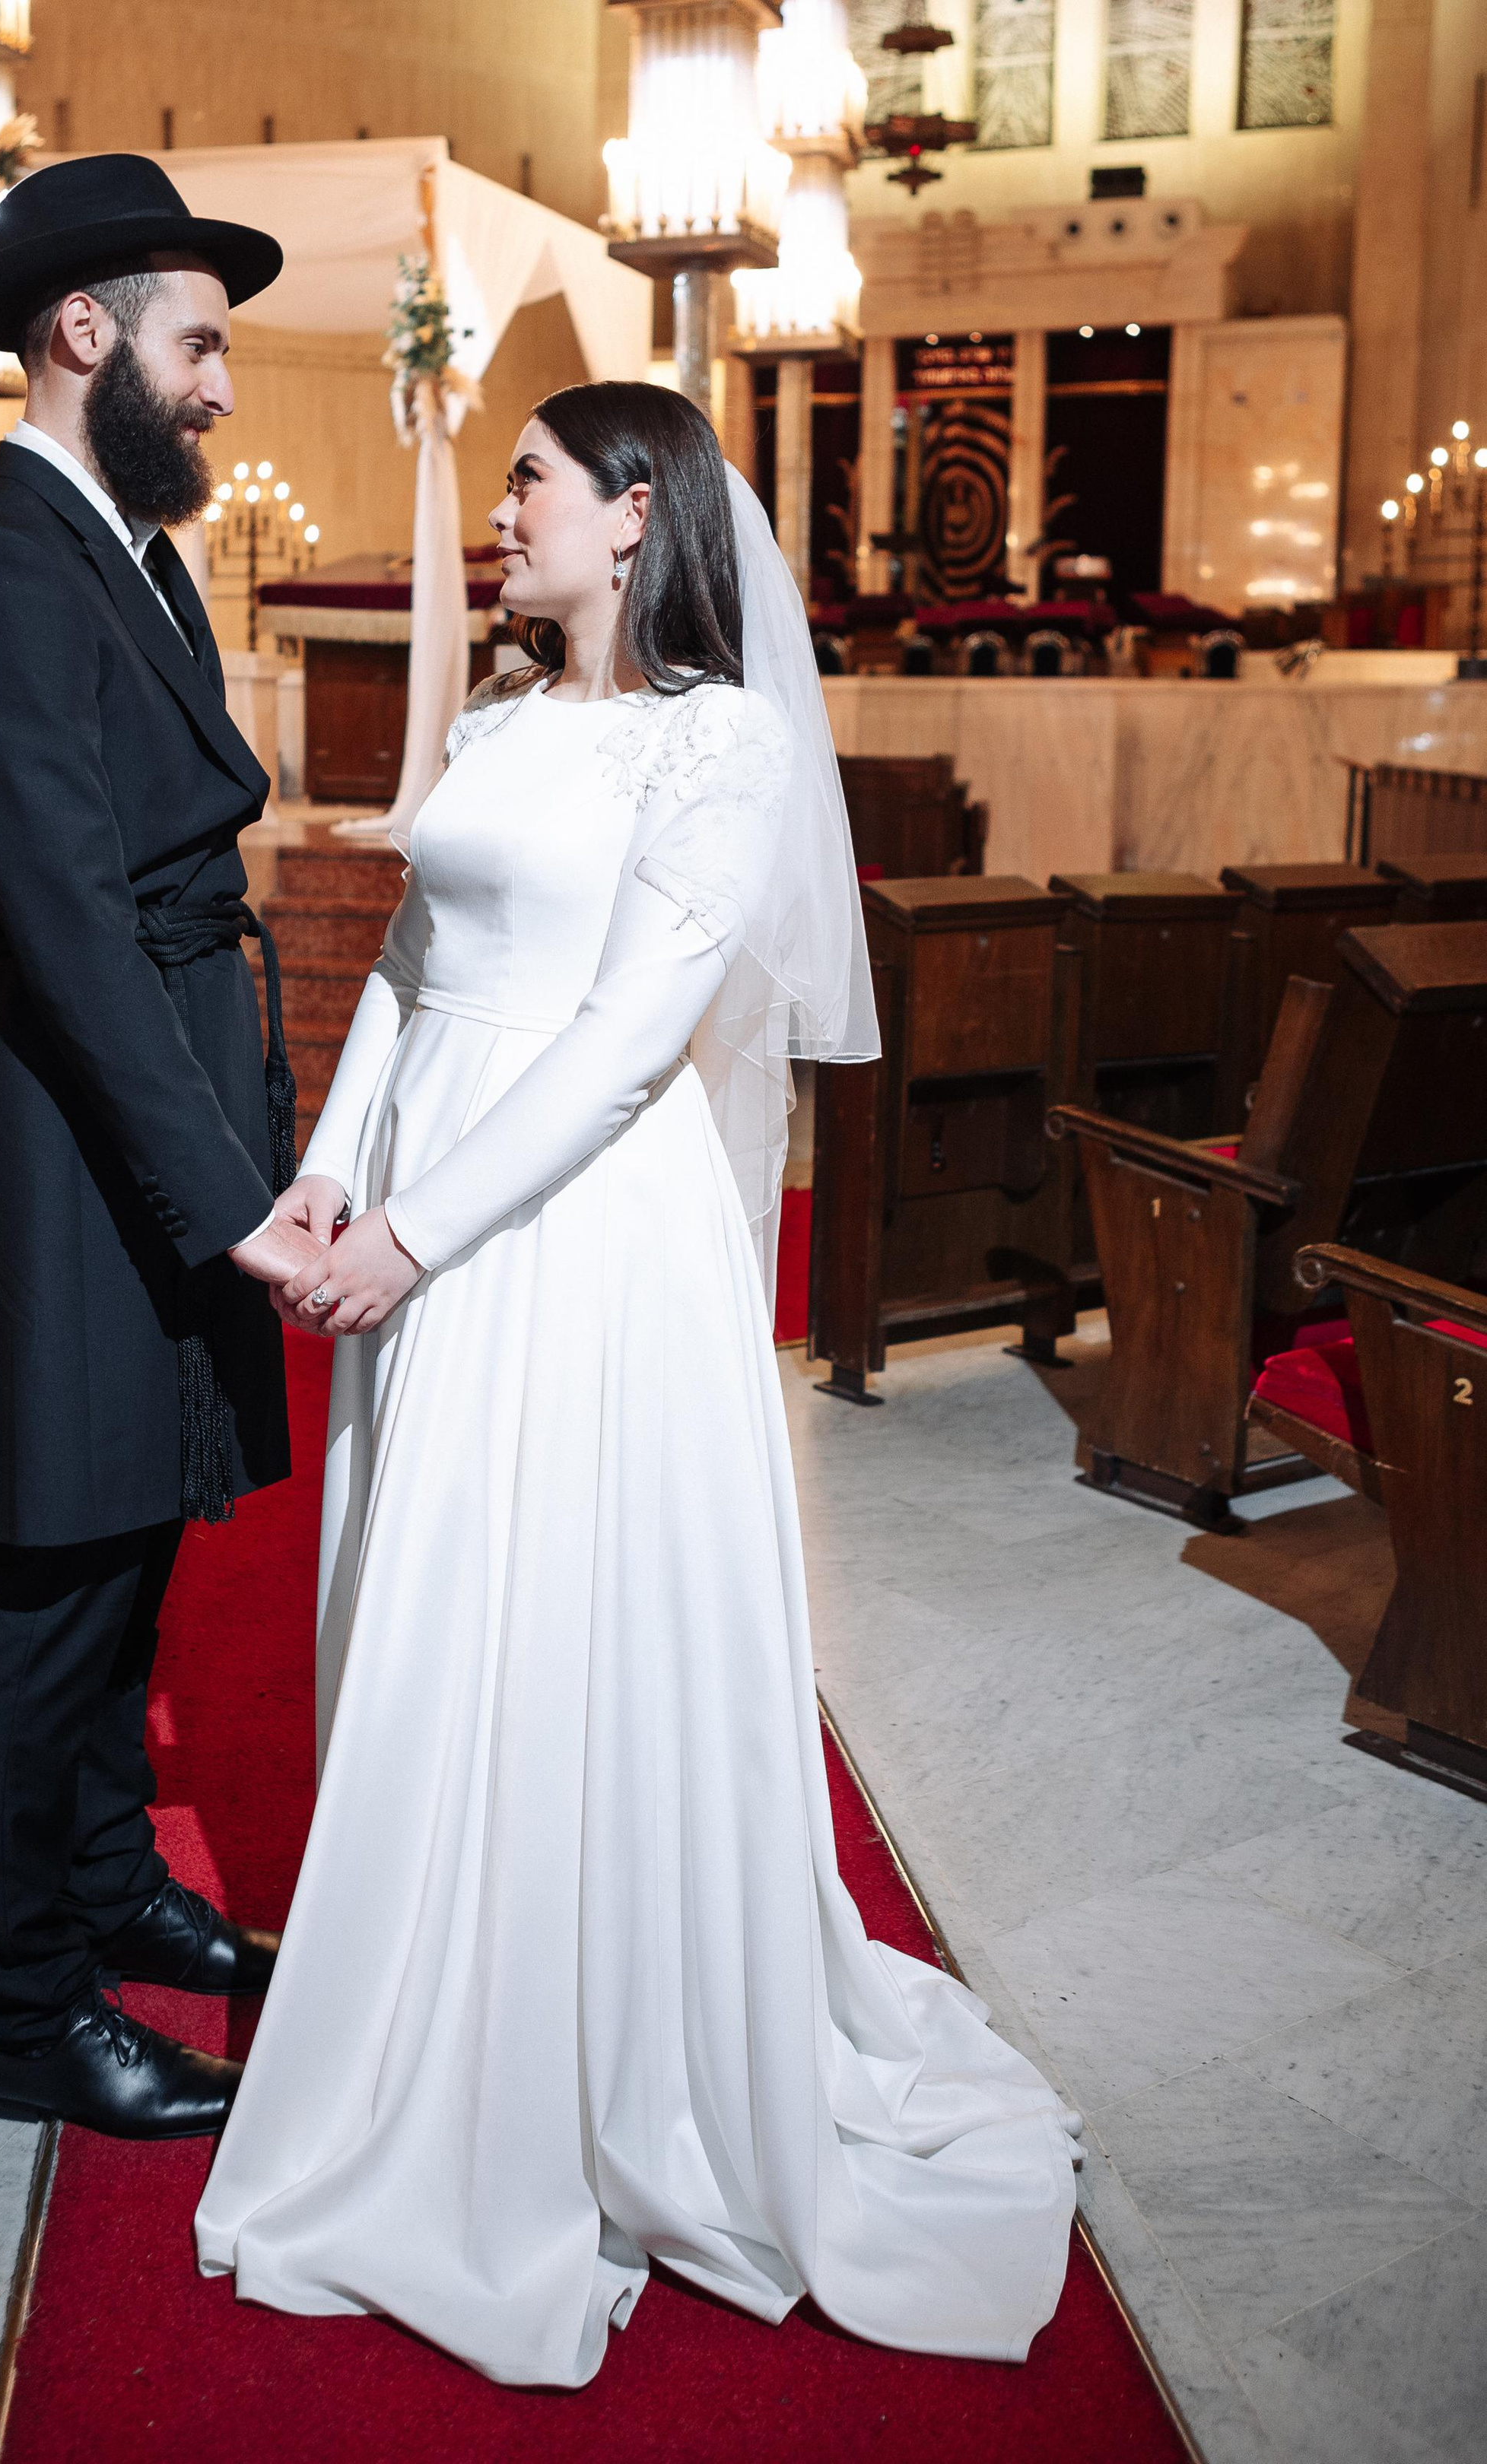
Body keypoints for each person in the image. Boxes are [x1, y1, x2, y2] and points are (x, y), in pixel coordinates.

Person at [195, 382, 1080, 2385]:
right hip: (432, 1191)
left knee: (581, 1614)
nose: (501, 511)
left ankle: (607, 2044)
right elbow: (417, 968)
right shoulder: (502, 724)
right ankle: (433, 1982)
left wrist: (421, 1239)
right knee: (433, 1607)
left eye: (528, 480)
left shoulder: (727, 740)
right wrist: (337, 1166)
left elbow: (619, 1045)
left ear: (635, 510)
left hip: (589, 1230)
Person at [0, 154, 316, 2143]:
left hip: (145, 1093)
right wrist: (231, 1205)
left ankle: (103, 1884)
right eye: (202, 342)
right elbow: (63, 927)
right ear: (89, 337)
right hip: (69, 1127)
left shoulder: (128, 559)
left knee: (136, 1538)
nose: (223, 386)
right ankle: (22, 2013)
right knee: (57, 1563)